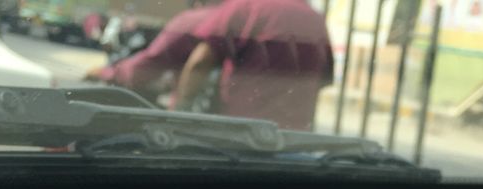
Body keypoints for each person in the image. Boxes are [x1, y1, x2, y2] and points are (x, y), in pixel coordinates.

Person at [174, 0, 332, 131]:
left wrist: (179, 113)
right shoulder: (316, 19)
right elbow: (323, 79)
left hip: (242, 138)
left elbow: (199, 64)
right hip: (294, 141)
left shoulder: (246, 6)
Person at [85, 2, 214, 102]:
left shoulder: (194, 20)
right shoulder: (229, 14)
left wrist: (106, 73)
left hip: (194, 119)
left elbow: (149, 63)